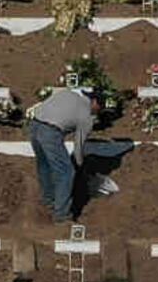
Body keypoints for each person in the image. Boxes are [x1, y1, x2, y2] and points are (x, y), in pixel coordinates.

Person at [28, 88, 102, 223]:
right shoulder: (87, 116)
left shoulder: (67, 93)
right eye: (100, 107)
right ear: (95, 102)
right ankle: (62, 215)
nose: (99, 111)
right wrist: (80, 168)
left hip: (34, 125)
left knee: (44, 165)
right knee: (66, 173)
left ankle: (49, 200)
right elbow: (78, 148)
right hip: (50, 132)